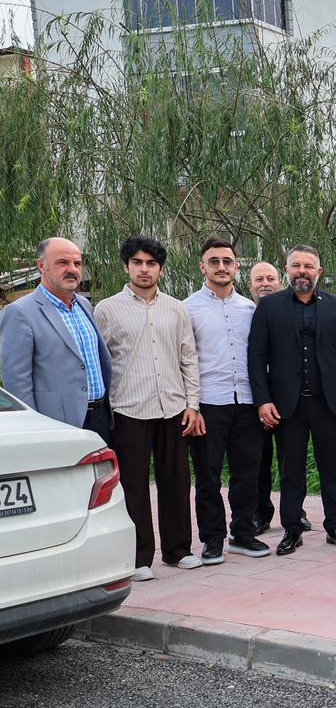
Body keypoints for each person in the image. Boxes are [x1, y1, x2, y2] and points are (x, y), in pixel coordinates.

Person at [96, 236, 205, 579]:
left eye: (151, 264)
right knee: (134, 486)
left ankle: (178, 550)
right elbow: (101, 363)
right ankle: (139, 557)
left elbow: (189, 358)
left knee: (176, 480)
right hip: (129, 409)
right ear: (126, 266)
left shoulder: (177, 308)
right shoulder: (107, 309)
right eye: (138, 263)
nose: (144, 270)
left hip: (173, 407)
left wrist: (193, 404)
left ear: (160, 268)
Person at [248, 245, 336, 556]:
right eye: (296, 265)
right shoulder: (269, 307)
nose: (302, 271)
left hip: (330, 403)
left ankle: (335, 527)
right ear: (287, 270)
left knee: (331, 468)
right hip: (288, 405)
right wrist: (263, 401)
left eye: (308, 266)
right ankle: (292, 530)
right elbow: (256, 358)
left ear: (319, 272)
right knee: (291, 470)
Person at [185, 237, 269, 563]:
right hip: (208, 403)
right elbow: (184, 359)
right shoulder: (187, 308)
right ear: (202, 266)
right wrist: (191, 406)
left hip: (246, 402)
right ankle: (213, 540)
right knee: (208, 475)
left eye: (227, 261)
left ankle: (243, 534)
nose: (221, 267)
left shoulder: (249, 309)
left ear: (236, 266)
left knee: (247, 474)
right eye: (214, 261)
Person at [0, 237, 114, 443]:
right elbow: (17, 383)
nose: (72, 269)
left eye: (77, 263)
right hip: (58, 422)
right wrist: (32, 429)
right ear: (41, 266)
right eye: (62, 262)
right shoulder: (20, 313)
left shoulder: (84, 305)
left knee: (99, 476)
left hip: (100, 416)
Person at [247, 261, 300, 536]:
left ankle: (295, 511)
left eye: (270, 278)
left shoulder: (289, 311)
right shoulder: (242, 312)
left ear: (280, 282)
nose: (265, 284)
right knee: (259, 460)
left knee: (292, 459)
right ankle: (260, 512)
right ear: (250, 285)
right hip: (255, 398)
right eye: (259, 279)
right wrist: (261, 400)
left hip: (288, 398)